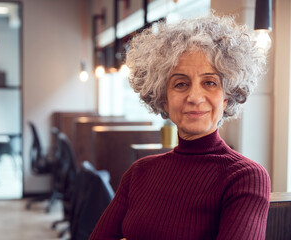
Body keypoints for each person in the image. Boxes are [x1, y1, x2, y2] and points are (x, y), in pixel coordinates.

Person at [90, 13, 271, 240]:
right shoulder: (138, 173)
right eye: (181, 83)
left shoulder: (245, 177)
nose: (195, 97)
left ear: (227, 97)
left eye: (210, 82)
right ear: (163, 98)